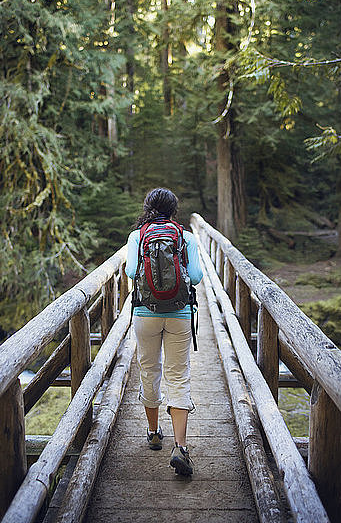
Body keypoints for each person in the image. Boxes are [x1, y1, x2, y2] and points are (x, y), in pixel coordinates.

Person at [125, 188, 203, 476]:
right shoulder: (185, 236)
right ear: (174, 210)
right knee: (178, 375)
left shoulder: (138, 236)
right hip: (180, 314)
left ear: (147, 208)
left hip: (145, 313)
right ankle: (180, 447)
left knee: (149, 369)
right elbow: (195, 277)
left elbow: (131, 272)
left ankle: (155, 432)